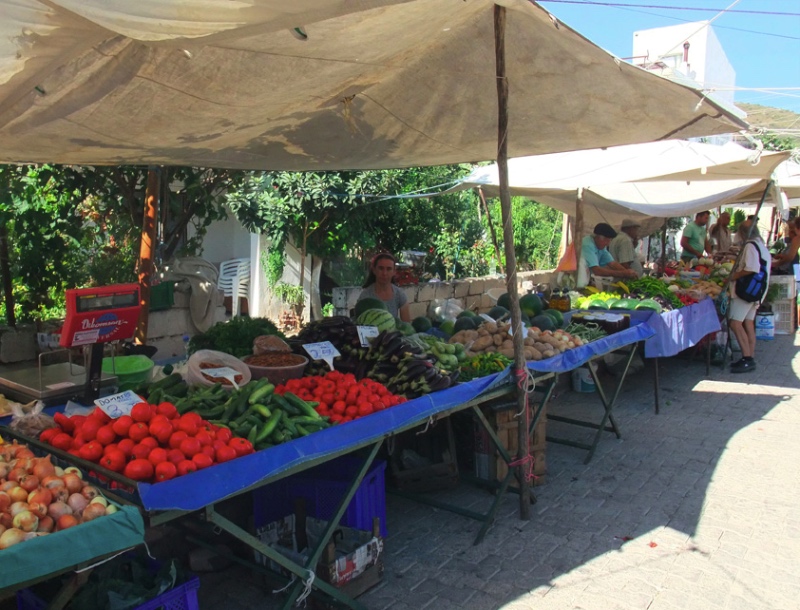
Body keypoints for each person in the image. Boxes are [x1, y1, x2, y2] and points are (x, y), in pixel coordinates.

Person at [727, 219, 771, 373]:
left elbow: (751, 268)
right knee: (748, 323)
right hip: (756, 292)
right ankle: (750, 356)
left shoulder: (750, 246)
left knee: (735, 323)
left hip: (746, 292)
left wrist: (734, 276)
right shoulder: (761, 246)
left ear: (744, 233)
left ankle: (747, 358)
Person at [577, 223, 638, 287]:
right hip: (576, 279)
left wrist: (629, 273)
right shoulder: (587, 245)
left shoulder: (600, 246)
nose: (608, 244)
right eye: (607, 241)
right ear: (599, 238)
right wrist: (623, 274)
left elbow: (612, 263)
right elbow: (597, 271)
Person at [357, 252, 411, 321]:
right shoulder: (365, 296)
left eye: (388, 269)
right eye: (381, 268)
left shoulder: (399, 294)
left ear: (394, 272)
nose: (384, 273)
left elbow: (407, 324)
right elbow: (360, 324)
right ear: (374, 270)